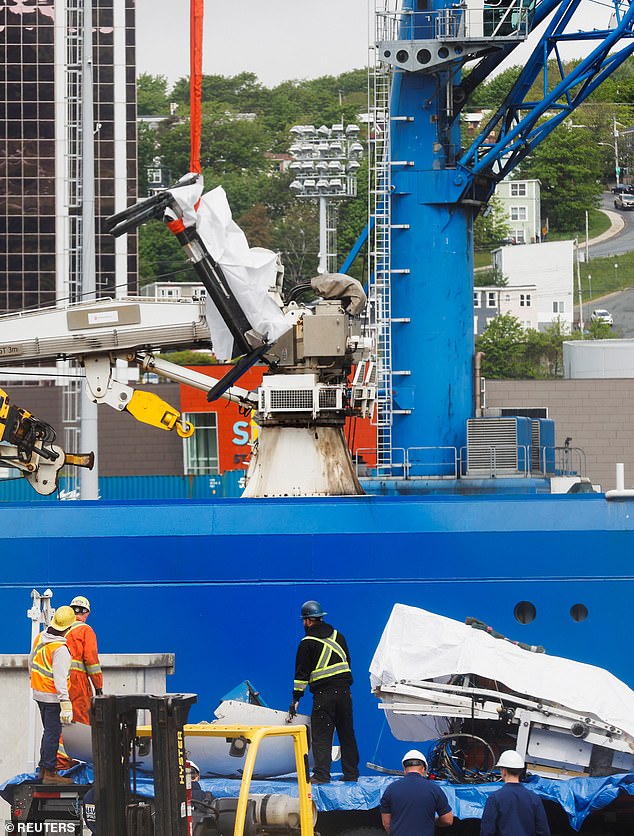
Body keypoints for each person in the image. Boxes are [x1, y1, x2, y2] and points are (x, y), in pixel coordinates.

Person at [289, 600, 359, 784]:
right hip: (344, 693)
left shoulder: (307, 643)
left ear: (307, 621)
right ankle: (351, 773)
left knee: (322, 736)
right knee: (347, 734)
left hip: (324, 696)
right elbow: (347, 663)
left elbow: (301, 675)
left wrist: (296, 699)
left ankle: (321, 775)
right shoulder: (339, 636)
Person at [29, 605, 76, 785]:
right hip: (52, 697)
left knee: (48, 732)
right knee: (53, 733)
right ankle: (49, 772)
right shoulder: (60, 649)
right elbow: (60, 679)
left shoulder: (40, 637)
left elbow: (31, 661)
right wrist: (65, 702)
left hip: (39, 693)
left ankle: (44, 769)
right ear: (68, 628)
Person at [380, 750, 453, 836]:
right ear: (424, 769)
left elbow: (386, 823)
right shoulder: (434, 789)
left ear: (404, 769)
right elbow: (447, 820)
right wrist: (432, 821)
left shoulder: (390, 789)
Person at [480, 750, 550, 836]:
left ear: (503, 771)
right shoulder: (534, 799)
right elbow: (543, 831)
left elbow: (487, 831)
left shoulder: (494, 798)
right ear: (520, 771)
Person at [65, 595, 103, 725]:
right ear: (86, 613)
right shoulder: (85, 630)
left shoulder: (60, 630)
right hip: (77, 681)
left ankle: (59, 744)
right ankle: (79, 746)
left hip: (57, 680)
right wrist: (98, 686)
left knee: (62, 719)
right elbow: (91, 660)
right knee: (80, 718)